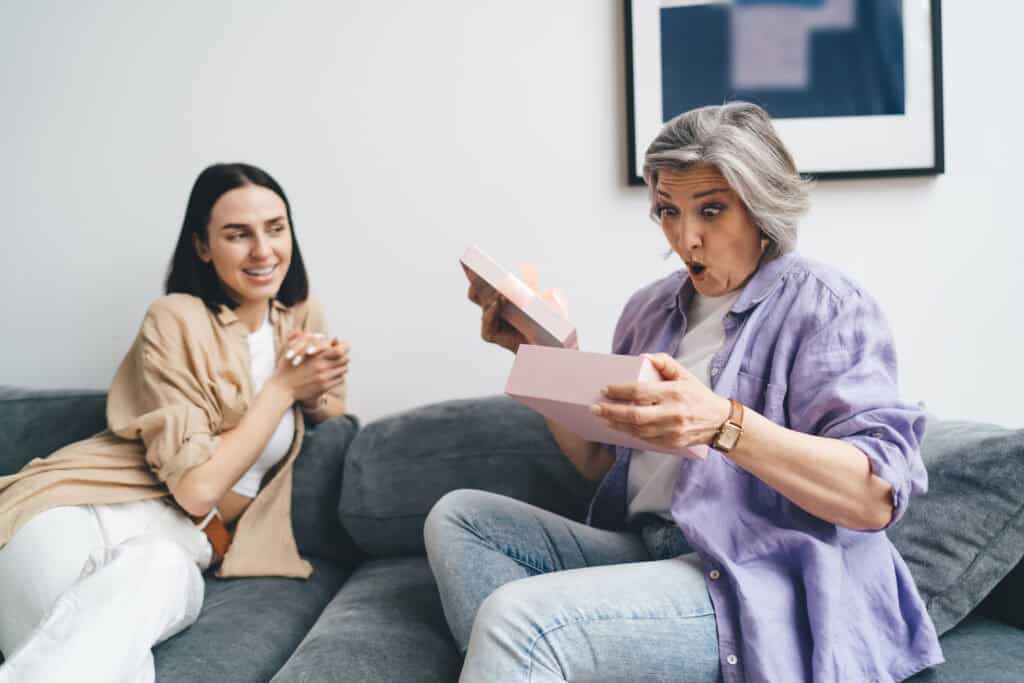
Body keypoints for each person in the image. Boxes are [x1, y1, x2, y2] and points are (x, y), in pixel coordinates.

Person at [426, 102, 943, 682]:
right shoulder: (649, 310)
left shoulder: (827, 307)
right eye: (669, 211)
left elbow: (873, 499)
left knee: (518, 619)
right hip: (647, 550)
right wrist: (539, 356)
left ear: (762, 205)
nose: (685, 237)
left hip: (753, 575)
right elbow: (602, 464)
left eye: (711, 210)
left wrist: (724, 423)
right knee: (460, 519)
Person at [0, 163, 350, 682]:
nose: (263, 250)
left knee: (156, 580)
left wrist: (314, 383)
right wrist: (281, 390)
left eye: (275, 229)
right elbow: (196, 490)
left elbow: (330, 409)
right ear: (203, 247)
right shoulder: (174, 317)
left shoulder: (298, 315)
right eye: (238, 234)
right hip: (76, 516)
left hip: (188, 544)